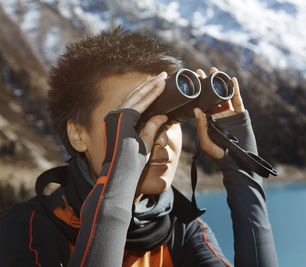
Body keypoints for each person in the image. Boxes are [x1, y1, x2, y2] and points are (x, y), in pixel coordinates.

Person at [0, 27, 278, 266]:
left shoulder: (181, 229)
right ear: (78, 134)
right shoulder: (22, 231)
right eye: (136, 119)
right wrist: (117, 185)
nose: (161, 136)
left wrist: (243, 174)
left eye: (172, 118)